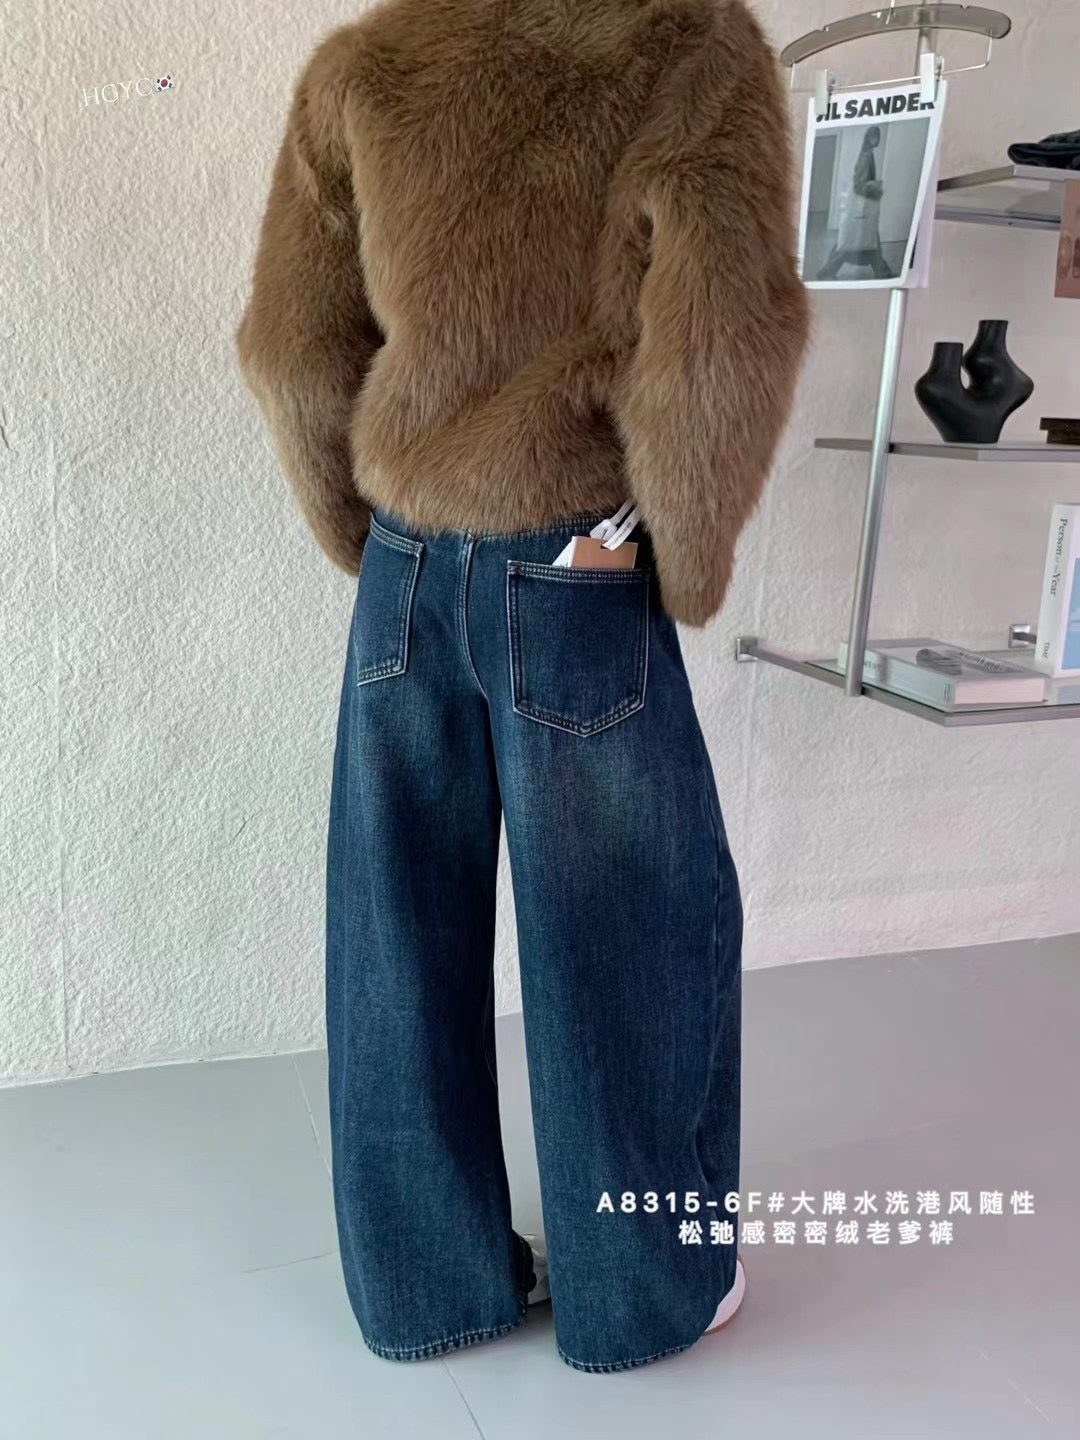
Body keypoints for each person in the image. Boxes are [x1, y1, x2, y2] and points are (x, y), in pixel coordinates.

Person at [234, 0, 808, 1374]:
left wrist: (368, 536)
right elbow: (722, 332)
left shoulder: (366, 67)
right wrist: (679, 556)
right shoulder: (688, 43)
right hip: (575, 558)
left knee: (395, 932)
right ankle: (641, 1295)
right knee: (627, 929)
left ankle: (425, 1292)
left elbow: (292, 347)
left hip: (407, 564)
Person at [817, 125, 895, 279]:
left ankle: (882, 272)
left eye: (877, 137)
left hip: (864, 211)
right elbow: (858, 185)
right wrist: (875, 191)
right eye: (873, 136)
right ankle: (826, 272)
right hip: (864, 210)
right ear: (868, 137)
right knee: (853, 244)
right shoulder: (866, 156)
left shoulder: (867, 153)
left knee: (858, 242)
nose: (875, 140)